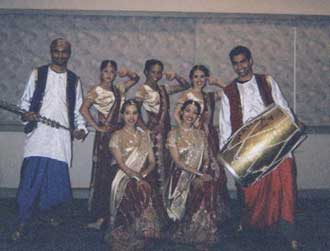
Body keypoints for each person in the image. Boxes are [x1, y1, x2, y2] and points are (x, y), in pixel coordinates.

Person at [219, 45, 300, 250]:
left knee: (286, 189)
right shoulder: (228, 92)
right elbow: (225, 126)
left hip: (276, 146)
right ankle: (253, 229)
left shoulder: (267, 81)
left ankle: (288, 233)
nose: (240, 67)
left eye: (243, 61)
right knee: (252, 195)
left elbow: (284, 109)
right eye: (236, 63)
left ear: (250, 61)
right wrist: (231, 158)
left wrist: (287, 140)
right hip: (249, 153)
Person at [12, 38, 87, 240]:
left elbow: (78, 111)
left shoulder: (75, 80)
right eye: (56, 51)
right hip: (38, 137)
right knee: (30, 180)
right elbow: (25, 102)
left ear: (69, 54)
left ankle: (47, 214)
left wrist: (80, 129)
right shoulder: (38, 73)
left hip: (60, 138)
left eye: (64, 52)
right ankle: (22, 220)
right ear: (51, 52)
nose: (60, 55)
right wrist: (26, 114)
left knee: (55, 182)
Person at [79, 60, 139, 230]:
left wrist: (126, 73)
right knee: (104, 176)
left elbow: (136, 78)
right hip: (105, 138)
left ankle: (120, 214)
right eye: (106, 71)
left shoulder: (119, 89)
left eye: (112, 71)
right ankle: (100, 217)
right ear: (101, 72)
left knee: (120, 172)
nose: (109, 75)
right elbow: (83, 109)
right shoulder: (96, 91)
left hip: (121, 134)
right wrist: (96, 126)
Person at [173, 65, 231, 228]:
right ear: (191, 78)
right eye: (196, 76)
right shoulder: (187, 95)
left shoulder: (209, 96)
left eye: (203, 77)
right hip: (193, 138)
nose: (199, 80)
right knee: (194, 172)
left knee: (214, 172)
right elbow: (176, 114)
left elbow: (230, 92)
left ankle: (211, 210)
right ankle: (193, 211)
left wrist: (218, 82)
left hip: (209, 137)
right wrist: (186, 132)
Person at [135, 59, 190, 227]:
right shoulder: (142, 90)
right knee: (156, 169)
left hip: (166, 133)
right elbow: (135, 112)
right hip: (154, 134)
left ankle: (165, 206)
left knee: (166, 167)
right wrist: (146, 130)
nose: (157, 75)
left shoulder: (163, 88)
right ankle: (154, 208)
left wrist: (176, 76)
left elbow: (185, 85)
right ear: (146, 72)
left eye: (159, 72)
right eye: (153, 72)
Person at [104, 99, 160, 250]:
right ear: (122, 115)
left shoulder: (144, 135)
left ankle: (142, 230)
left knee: (146, 185)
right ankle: (129, 230)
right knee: (135, 187)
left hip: (143, 174)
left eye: (135, 113)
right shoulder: (116, 136)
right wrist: (137, 177)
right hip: (123, 176)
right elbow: (121, 165)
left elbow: (152, 162)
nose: (131, 117)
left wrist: (143, 174)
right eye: (127, 113)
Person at [166, 100, 220, 247]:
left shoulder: (201, 134)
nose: (191, 114)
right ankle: (187, 227)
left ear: (198, 116)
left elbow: (207, 159)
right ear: (182, 112)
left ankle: (201, 230)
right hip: (180, 177)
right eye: (188, 110)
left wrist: (203, 173)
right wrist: (198, 174)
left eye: (195, 112)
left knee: (205, 186)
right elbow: (177, 161)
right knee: (199, 185)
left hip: (199, 174)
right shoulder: (173, 134)